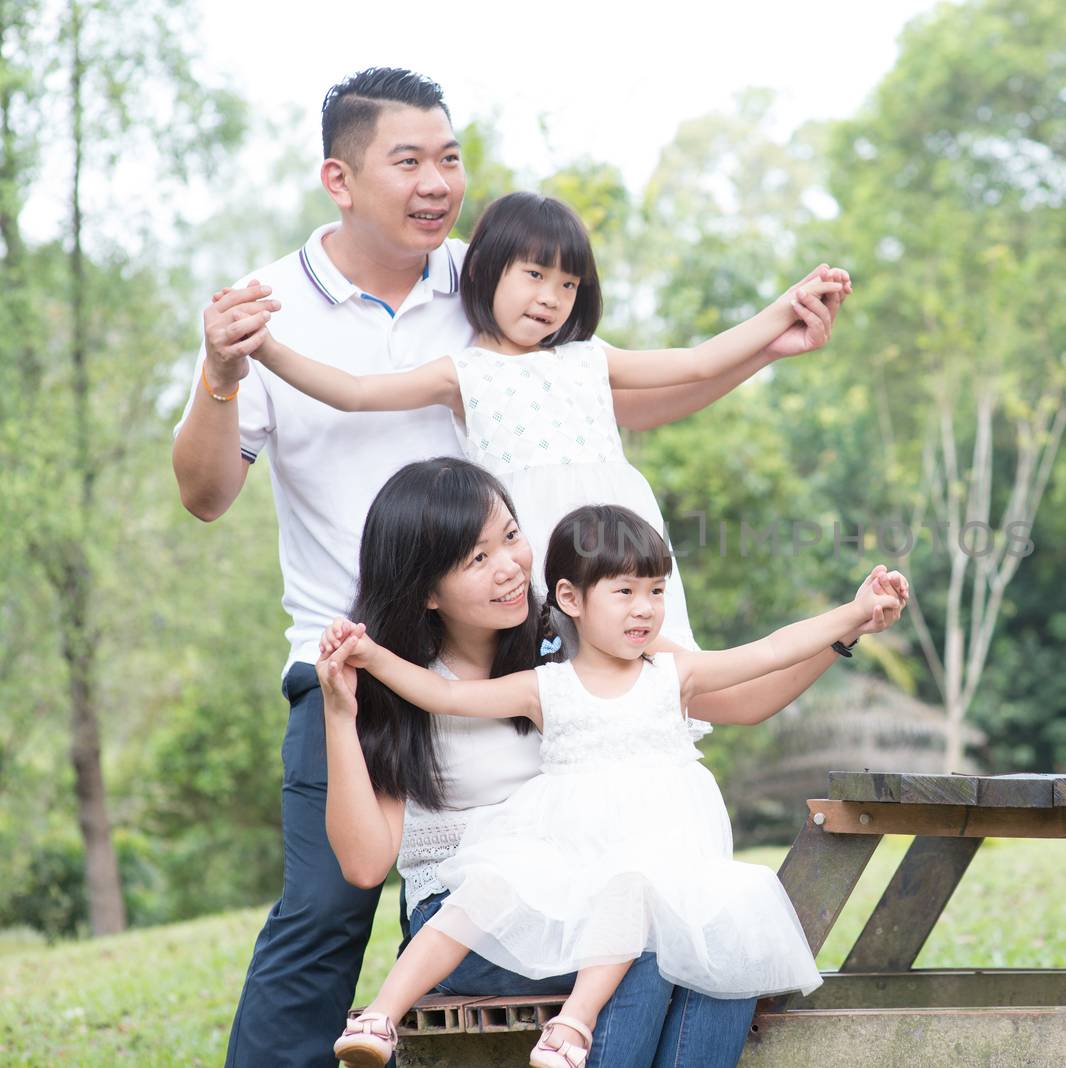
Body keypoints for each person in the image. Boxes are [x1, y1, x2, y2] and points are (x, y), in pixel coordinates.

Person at [171, 67, 848, 1067]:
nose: (437, 180)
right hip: (359, 651)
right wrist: (229, 367)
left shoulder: (490, 281)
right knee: (327, 907)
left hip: (520, 641)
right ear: (340, 177)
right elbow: (208, 489)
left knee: (635, 886)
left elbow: (615, 398)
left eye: (449, 156)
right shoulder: (277, 309)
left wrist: (763, 348)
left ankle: (572, 1027)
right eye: (409, 160)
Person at [316, 460, 905, 1067]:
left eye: (511, 536)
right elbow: (364, 866)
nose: (510, 566)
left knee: (716, 933)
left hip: (599, 882)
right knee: (651, 943)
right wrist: (338, 713)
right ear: (426, 589)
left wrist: (849, 626)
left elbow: (749, 685)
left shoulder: (588, 633)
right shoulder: (401, 685)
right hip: (467, 914)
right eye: (476, 558)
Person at [242, 189, 849, 652]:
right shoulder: (463, 372)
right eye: (534, 275)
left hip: (618, 536)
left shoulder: (588, 358)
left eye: (567, 283)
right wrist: (266, 350)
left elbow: (694, 362)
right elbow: (353, 392)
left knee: (647, 663)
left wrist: (783, 312)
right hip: (534, 549)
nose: (550, 298)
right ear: (483, 272)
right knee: (559, 681)